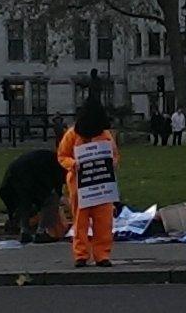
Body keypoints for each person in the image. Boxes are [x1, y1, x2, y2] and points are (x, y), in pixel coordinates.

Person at [57, 98, 120, 268]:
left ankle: (102, 255)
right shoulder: (72, 134)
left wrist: (112, 163)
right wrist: (73, 164)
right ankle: (81, 255)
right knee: (80, 222)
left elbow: (114, 155)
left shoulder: (105, 136)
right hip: (79, 186)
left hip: (102, 186)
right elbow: (62, 156)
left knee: (104, 221)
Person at [0, 149, 66, 244]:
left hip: (15, 172)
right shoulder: (61, 166)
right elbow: (56, 189)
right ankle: (41, 232)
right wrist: (59, 196)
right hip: (34, 173)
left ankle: (24, 231)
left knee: (24, 201)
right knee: (50, 200)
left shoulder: (52, 159)